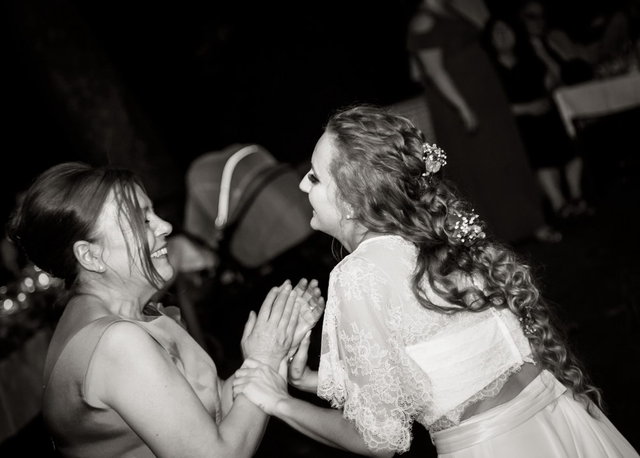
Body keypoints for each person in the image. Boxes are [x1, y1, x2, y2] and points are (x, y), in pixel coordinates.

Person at [231, 105, 639, 457]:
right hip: (565, 423)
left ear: (353, 202)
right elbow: (446, 372)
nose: (302, 184)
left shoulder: (360, 273)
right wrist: (309, 381)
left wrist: (278, 401)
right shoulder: (438, 237)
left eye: (315, 177)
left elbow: (379, 441)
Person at [6, 161, 324, 457]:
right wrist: (264, 360)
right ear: (91, 256)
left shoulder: (132, 317)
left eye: (153, 212)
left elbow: (212, 412)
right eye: (142, 220)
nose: (165, 226)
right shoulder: (115, 343)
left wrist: (275, 348)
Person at [406, 0, 561, 243]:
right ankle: (495, 234)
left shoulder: (452, 9)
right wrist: (463, 108)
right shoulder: (423, 21)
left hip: (487, 98)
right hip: (461, 103)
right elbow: (433, 72)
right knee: (482, 166)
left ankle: (531, 221)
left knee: (509, 156)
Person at [484, 16, 593, 219]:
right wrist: (526, 109)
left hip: (547, 115)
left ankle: (576, 196)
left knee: (565, 140)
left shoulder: (529, 59)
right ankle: (559, 202)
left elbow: (555, 79)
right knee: (538, 146)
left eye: (507, 30)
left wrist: (542, 52)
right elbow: (492, 107)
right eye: (497, 32)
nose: (503, 36)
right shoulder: (490, 70)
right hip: (518, 120)